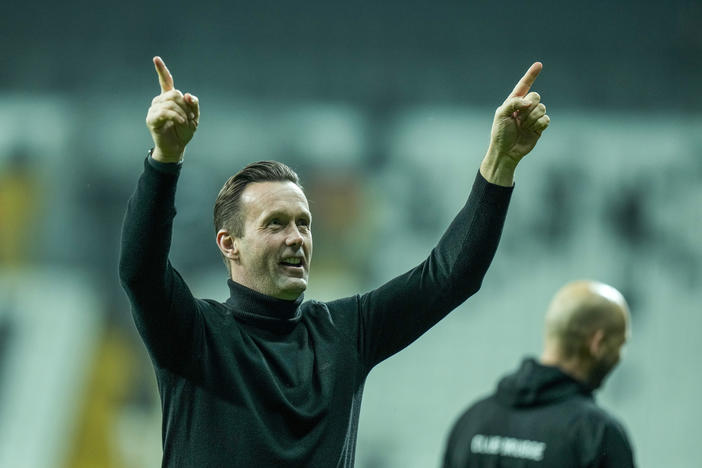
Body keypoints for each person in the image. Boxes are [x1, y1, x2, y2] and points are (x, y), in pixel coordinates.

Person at [119, 56, 550, 467]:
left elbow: (451, 275)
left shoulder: (345, 332)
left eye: (303, 224)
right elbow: (140, 271)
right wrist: (165, 159)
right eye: (275, 224)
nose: (296, 238)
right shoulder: (196, 336)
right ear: (229, 244)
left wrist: (501, 161)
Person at [442, 280, 636, 468]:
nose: (620, 355)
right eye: (621, 344)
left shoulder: (470, 422)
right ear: (598, 343)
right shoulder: (598, 434)